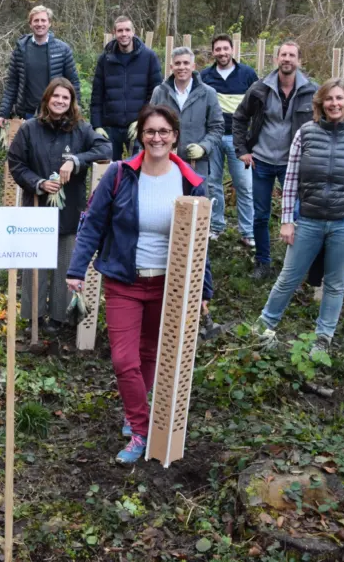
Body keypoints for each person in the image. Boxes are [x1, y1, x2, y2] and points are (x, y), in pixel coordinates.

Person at [66, 104, 213, 464]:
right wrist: (77, 269)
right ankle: (142, 427)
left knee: (149, 353)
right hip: (124, 280)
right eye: (150, 132)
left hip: (169, 284)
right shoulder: (120, 174)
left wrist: (203, 291)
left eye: (164, 131)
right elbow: (93, 224)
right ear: (140, 136)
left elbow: (201, 243)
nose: (157, 138)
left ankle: (134, 416)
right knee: (123, 359)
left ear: (175, 136)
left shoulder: (191, 182)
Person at [251, 79, 344, 356]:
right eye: (329, 99)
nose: (334, 104)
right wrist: (287, 219)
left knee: (335, 282)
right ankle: (264, 325)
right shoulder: (306, 134)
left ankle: (323, 337)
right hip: (309, 219)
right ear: (320, 103)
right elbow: (290, 180)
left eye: (339, 98)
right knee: (289, 276)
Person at [7, 78, 111, 333]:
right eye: (56, 96)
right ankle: (34, 316)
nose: (60, 101)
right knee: (36, 263)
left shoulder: (81, 130)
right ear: (47, 99)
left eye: (66, 98)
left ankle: (58, 318)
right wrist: (39, 183)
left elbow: (105, 148)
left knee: (65, 260)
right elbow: (16, 162)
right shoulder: (30, 129)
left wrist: (76, 160)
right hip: (37, 207)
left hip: (69, 208)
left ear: (71, 102)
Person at [232, 42, 317, 280]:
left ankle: (296, 266)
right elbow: (239, 118)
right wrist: (242, 149)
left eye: (292, 55)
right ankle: (263, 262)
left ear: (299, 60)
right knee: (261, 215)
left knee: (299, 215)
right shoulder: (260, 89)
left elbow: (322, 126)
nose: (287, 59)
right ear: (276, 58)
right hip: (262, 161)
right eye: (283, 54)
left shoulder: (312, 91)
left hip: (295, 164)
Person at [200, 34, 258, 245]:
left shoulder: (248, 74)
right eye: (218, 49)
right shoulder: (204, 76)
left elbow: (258, 105)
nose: (222, 53)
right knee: (213, 184)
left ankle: (247, 231)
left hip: (239, 140)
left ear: (232, 50)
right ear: (213, 52)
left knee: (244, 185)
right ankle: (216, 226)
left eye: (225, 48)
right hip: (213, 137)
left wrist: (253, 138)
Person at [90, 16, 162, 161]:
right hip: (110, 126)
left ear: (133, 32)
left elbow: (155, 95)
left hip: (138, 127)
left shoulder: (149, 57)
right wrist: (97, 126)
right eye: (120, 30)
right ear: (114, 33)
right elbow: (97, 95)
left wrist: (142, 120)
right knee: (110, 172)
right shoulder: (105, 59)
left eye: (127, 30)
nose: (124, 34)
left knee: (140, 168)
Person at [0, 5, 81, 127]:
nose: (40, 24)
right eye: (36, 20)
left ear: (49, 23)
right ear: (30, 24)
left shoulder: (63, 50)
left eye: (43, 20)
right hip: (27, 115)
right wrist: (3, 112)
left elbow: (74, 83)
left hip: (56, 113)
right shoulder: (21, 50)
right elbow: (12, 84)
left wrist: (75, 112)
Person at [150, 47, 224, 179]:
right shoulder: (160, 92)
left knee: (194, 199)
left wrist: (204, 147)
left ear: (193, 66)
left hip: (196, 164)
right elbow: (149, 124)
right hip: (164, 162)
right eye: (177, 63)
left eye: (186, 63)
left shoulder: (208, 93)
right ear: (171, 66)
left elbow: (217, 127)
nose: (181, 67)